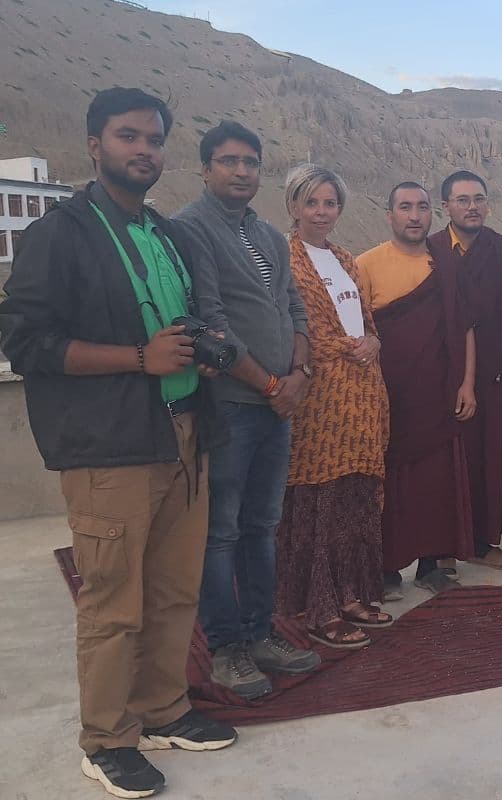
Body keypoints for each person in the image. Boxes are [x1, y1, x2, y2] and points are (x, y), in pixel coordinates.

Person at [0, 87, 236, 799]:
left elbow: (176, 323)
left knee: (172, 593)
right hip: (110, 449)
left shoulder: (163, 233)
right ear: (94, 146)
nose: (145, 150)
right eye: (128, 136)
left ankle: (163, 710)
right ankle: (106, 740)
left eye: (155, 139)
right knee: (113, 601)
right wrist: (139, 359)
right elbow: (25, 341)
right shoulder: (59, 234)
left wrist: (204, 346)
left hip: (183, 436)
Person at [174, 121, 320, 699]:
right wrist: (270, 386)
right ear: (206, 168)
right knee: (223, 531)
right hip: (234, 405)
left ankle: (262, 635)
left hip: (278, 402)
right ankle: (228, 648)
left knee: (264, 525)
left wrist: (301, 374)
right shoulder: (192, 229)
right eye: (229, 161)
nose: (241, 172)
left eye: (251, 162)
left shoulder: (267, 233)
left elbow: (293, 308)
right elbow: (210, 322)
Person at [274, 164, 391, 648]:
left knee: (354, 501)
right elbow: (292, 328)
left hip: (361, 398)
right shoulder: (284, 257)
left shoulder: (345, 258)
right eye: (312, 202)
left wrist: (373, 343)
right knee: (319, 503)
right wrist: (348, 346)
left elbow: (363, 323)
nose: (322, 212)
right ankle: (315, 607)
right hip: (319, 402)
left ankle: (350, 594)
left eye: (330, 203)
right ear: (294, 206)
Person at [357, 182, 476, 594]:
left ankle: (431, 566)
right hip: (389, 395)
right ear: (389, 215)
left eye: (422, 207)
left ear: (432, 214)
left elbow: (465, 327)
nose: (414, 215)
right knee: (387, 482)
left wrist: (468, 384)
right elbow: (359, 332)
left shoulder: (446, 262)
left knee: (436, 481)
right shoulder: (366, 265)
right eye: (404, 207)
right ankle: (386, 567)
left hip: (438, 392)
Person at [429, 170, 502, 571]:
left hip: (494, 373)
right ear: (445, 206)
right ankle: (442, 550)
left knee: (490, 462)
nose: (472, 207)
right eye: (462, 199)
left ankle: (485, 544)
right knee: (444, 463)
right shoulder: (430, 249)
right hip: (441, 375)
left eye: (479, 199)